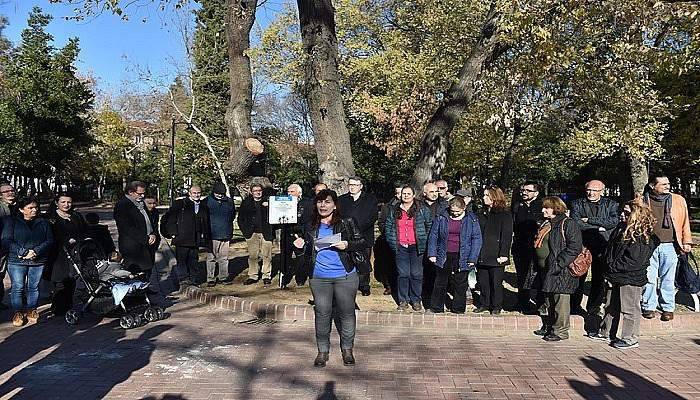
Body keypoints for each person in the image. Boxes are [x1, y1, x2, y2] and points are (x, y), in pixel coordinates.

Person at [292, 189, 365, 367]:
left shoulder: (346, 222)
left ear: (334, 205)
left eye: (327, 202)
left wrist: (347, 244)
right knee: (322, 313)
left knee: (347, 313)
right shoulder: (310, 225)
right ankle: (322, 351)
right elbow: (306, 251)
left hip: (345, 275)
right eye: (320, 202)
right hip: (319, 277)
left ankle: (347, 349)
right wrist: (300, 247)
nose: (323, 205)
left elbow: (361, 242)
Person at [591, 199, 658, 349]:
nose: (622, 214)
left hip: (630, 277)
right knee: (610, 305)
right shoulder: (621, 228)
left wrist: (613, 267)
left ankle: (630, 338)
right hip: (615, 274)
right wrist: (608, 267)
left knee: (630, 309)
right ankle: (606, 332)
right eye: (623, 211)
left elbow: (634, 261)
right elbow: (611, 250)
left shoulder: (642, 236)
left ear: (635, 215)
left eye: (627, 213)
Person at [642, 175, 693, 321]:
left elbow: (685, 223)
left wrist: (687, 241)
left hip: (670, 244)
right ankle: (649, 306)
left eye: (668, 183)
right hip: (648, 245)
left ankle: (667, 308)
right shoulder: (642, 201)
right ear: (652, 186)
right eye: (663, 184)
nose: (667, 186)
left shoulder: (677, 200)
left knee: (668, 279)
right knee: (649, 278)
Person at [533, 196, 583, 342]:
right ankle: (550, 327)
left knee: (560, 301)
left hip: (561, 269)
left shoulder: (568, 224)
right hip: (546, 268)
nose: (543, 210)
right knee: (549, 300)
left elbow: (574, 247)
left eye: (546, 207)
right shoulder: (547, 223)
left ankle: (560, 331)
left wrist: (559, 263)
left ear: (555, 208)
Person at [569, 180, 619, 318]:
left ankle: (593, 307)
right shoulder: (577, 204)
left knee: (599, 278)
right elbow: (576, 223)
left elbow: (613, 222)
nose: (591, 193)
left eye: (595, 191)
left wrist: (589, 220)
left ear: (602, 191)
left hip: (602, 245)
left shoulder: (611, 204)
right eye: (589, 190)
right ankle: (574, 306)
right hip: (582, 244)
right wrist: (600, 227)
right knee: (578, 276)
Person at [1, 197, 53, 327]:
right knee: (18, 287)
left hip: (37, 259)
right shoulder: (11, 222)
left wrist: (36, 251)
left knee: (33, 287)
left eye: (35, 207)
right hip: (16, 260)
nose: (34, 210)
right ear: (21, 209)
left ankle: (32, 310)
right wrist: (23, 252)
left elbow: (49, 240)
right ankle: (18, 312)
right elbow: (6, 240)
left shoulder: (43, 222)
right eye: (30, 208)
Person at [426, 196, 482, 314]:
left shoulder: (472, 219)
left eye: (458, 212)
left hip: (463, 255)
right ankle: (436, 307)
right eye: (452, 211)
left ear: (464, 208)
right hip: (443, 253)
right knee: (440, 281)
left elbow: (477, 239)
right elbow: (433, 235)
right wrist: (432, 253)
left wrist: (472, 258)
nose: (455, 214)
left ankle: (458, 308)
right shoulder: (441, 217)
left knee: (460, 282)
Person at [385, 185, 433, 312]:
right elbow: (389, 227)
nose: (405, 196)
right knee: (403, 274)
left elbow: (429, 225)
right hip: (401, 246)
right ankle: (403, 300)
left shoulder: (422, 209)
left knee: (416, 274)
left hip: (416, 247)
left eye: (408, 193)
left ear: (413, 195)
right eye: (403, 194)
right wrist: (392, 242)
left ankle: (416, 299)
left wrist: (424, 240)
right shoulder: (395, 210)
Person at [45, 193, 87, 315]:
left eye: (69, 202)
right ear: (56, 203)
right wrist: (64, 241)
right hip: (58, 254)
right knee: (59, 280)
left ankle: (69, 306)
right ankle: (58, 308)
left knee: (72, 279)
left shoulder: (76, 215)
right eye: (63, 202)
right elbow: (49, 236)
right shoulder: (50, 218)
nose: (66, 205)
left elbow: (84, 231)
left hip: (75, 252)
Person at [475, 187, 513, 315]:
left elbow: (506, 235)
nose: (484, 197)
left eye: (487, 195)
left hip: (496, 253)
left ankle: (496, 305)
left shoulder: (504, 214)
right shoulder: (481, 213)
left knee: (496, 282)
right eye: (484, 195)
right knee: (483, 281)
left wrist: (503, 254)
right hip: (482, 252)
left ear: (495, 197)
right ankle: (484, 303)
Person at [162, 185, 211, 286]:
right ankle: (183, 280)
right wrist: (173, 233)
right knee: (182, 259)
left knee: (193, 259)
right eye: (194, 193)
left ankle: (193, 279)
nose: (197, 195)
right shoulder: (180, 204)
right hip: (182, 237)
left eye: (198, 193)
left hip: (196, 238)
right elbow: (171, 218)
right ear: (190, 193)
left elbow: (205, 222)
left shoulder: (203, 206)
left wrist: (205, 236)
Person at [338, 176, 378, 296]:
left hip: (364, 235)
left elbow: (372, 217)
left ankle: (364, 285)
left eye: (355, 185)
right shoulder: (342, 200)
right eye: (350, 184)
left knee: (363, 261)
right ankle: (348, 285)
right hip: (346, 236)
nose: (352, 187)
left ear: (361, 186)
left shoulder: (370, 199)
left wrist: (357, 230)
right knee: (348, 260)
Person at [114, 181, 158, 281]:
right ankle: (137, 293)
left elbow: (150, 221)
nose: (142, 196)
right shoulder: (122, 205)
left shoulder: (140, 203)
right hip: (133, 246)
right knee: (136, 272)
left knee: (147, 269)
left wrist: (153, 234)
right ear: (130, 192)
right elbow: (126, 227)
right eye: (140, 193)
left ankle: (145, 288)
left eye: (144, 193)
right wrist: (145, 238)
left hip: (148, 242)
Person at [512, 181, 544, 313]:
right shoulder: (517, 206)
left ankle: (540, 303)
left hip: (538, 247)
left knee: (539, 276)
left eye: (528, 190)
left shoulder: (542, 206)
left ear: (536, 193)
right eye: (523, 190)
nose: (524, 193)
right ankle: (522, 302)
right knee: (522, 276)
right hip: (520, 247)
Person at [238, 183, 276, 286]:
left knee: (267, 255)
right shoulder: (246, 203)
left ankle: (266, 275)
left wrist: (269, 206)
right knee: (253, 256)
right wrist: (245, 231)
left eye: (259, 190)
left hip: (266, 232)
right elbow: (240, 218)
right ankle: (253, 275)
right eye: (255, 191)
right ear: (251, 192)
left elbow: (276, 215)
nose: (257, 192)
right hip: (252, 233)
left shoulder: (268, 202)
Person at [281, 183, 313, 288]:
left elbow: (309, 222)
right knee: (285, 257)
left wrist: (303, 237)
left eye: (292, 192)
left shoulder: (308, 204)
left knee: (301, 258)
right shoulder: (282, 203)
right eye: (288, 192)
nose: (289, 194)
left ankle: (300, 278)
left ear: (299, 193)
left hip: (301, 235)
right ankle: (284, 278)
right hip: (287, 234)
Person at [375, 183, 403, 296]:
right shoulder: (388, 206)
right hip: (390, 238)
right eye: (398, 192)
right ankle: (389, 286)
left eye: (402, 192)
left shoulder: (414, 206)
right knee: (389, 264)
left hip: (406, 239)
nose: (400, 195)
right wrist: (388, 234)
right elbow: (382, 222)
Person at [205, 183, 236, 287]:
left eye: (222, 194)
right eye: (217, 193)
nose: (220, 196)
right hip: (212, 234)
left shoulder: (229, 202)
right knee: (211, 257)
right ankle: (210, 278)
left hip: (226, 233)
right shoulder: (207, 201)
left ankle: (223, 277)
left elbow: (232, 215)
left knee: (224, 257)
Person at [0, 182, 17, 310]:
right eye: (6, 191)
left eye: (12, 190)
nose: (10, 193)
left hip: (9, 247)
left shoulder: (13, 208)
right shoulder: (1, 209)